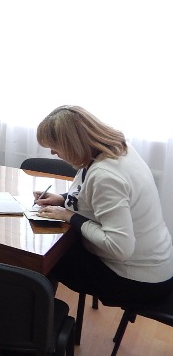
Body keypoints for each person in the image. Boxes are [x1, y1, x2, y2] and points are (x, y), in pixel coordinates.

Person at [33, 105, 173, 307]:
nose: (53, 152)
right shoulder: (116, 150)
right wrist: (63, 199)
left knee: (42, 260)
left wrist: (69, 215)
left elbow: (120, 248)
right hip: (158, 262)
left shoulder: (106, 176)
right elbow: (94, 196)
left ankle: (42, 321)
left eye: (55, 146)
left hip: (138, 280)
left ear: (73, 144)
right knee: (56, 248)